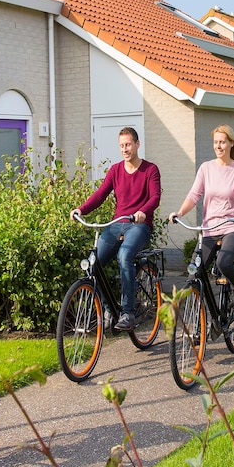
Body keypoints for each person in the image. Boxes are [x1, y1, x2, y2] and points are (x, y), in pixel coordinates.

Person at [71, 127, 161, 331]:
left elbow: (155, 197)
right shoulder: (115, 170)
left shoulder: (150, 170)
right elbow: (101, 194)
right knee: (94, 263)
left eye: (128, 144)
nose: (125, 149)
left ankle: (128, 312)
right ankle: (108, 308)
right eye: (122, 146)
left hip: (139, 225)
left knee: (124, 256)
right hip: (117, 224)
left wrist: (143, 211)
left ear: (137, 144)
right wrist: (81, 210)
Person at [170, 124, 234, 315]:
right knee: (194, 274)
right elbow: (194, 195)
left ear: (231, 143)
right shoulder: (206, 168)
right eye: (216, 142)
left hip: (233, 226)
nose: (219, 146)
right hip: (210, 228)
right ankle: (203, 319)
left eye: (222, 142)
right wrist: (179, 213)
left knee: (223, 262)